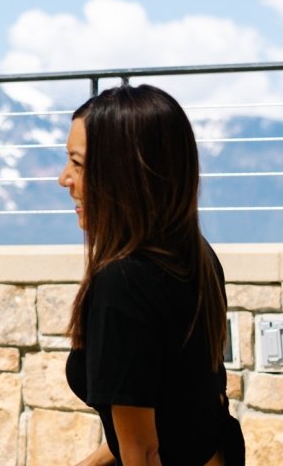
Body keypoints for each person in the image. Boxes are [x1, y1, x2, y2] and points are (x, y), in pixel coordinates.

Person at [59, 85, 244, 466]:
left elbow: (143, 450)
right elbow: (169, 417)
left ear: (120, 173)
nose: (64, 179)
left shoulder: (121, 284)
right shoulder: (196, 257)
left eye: (77, 164)